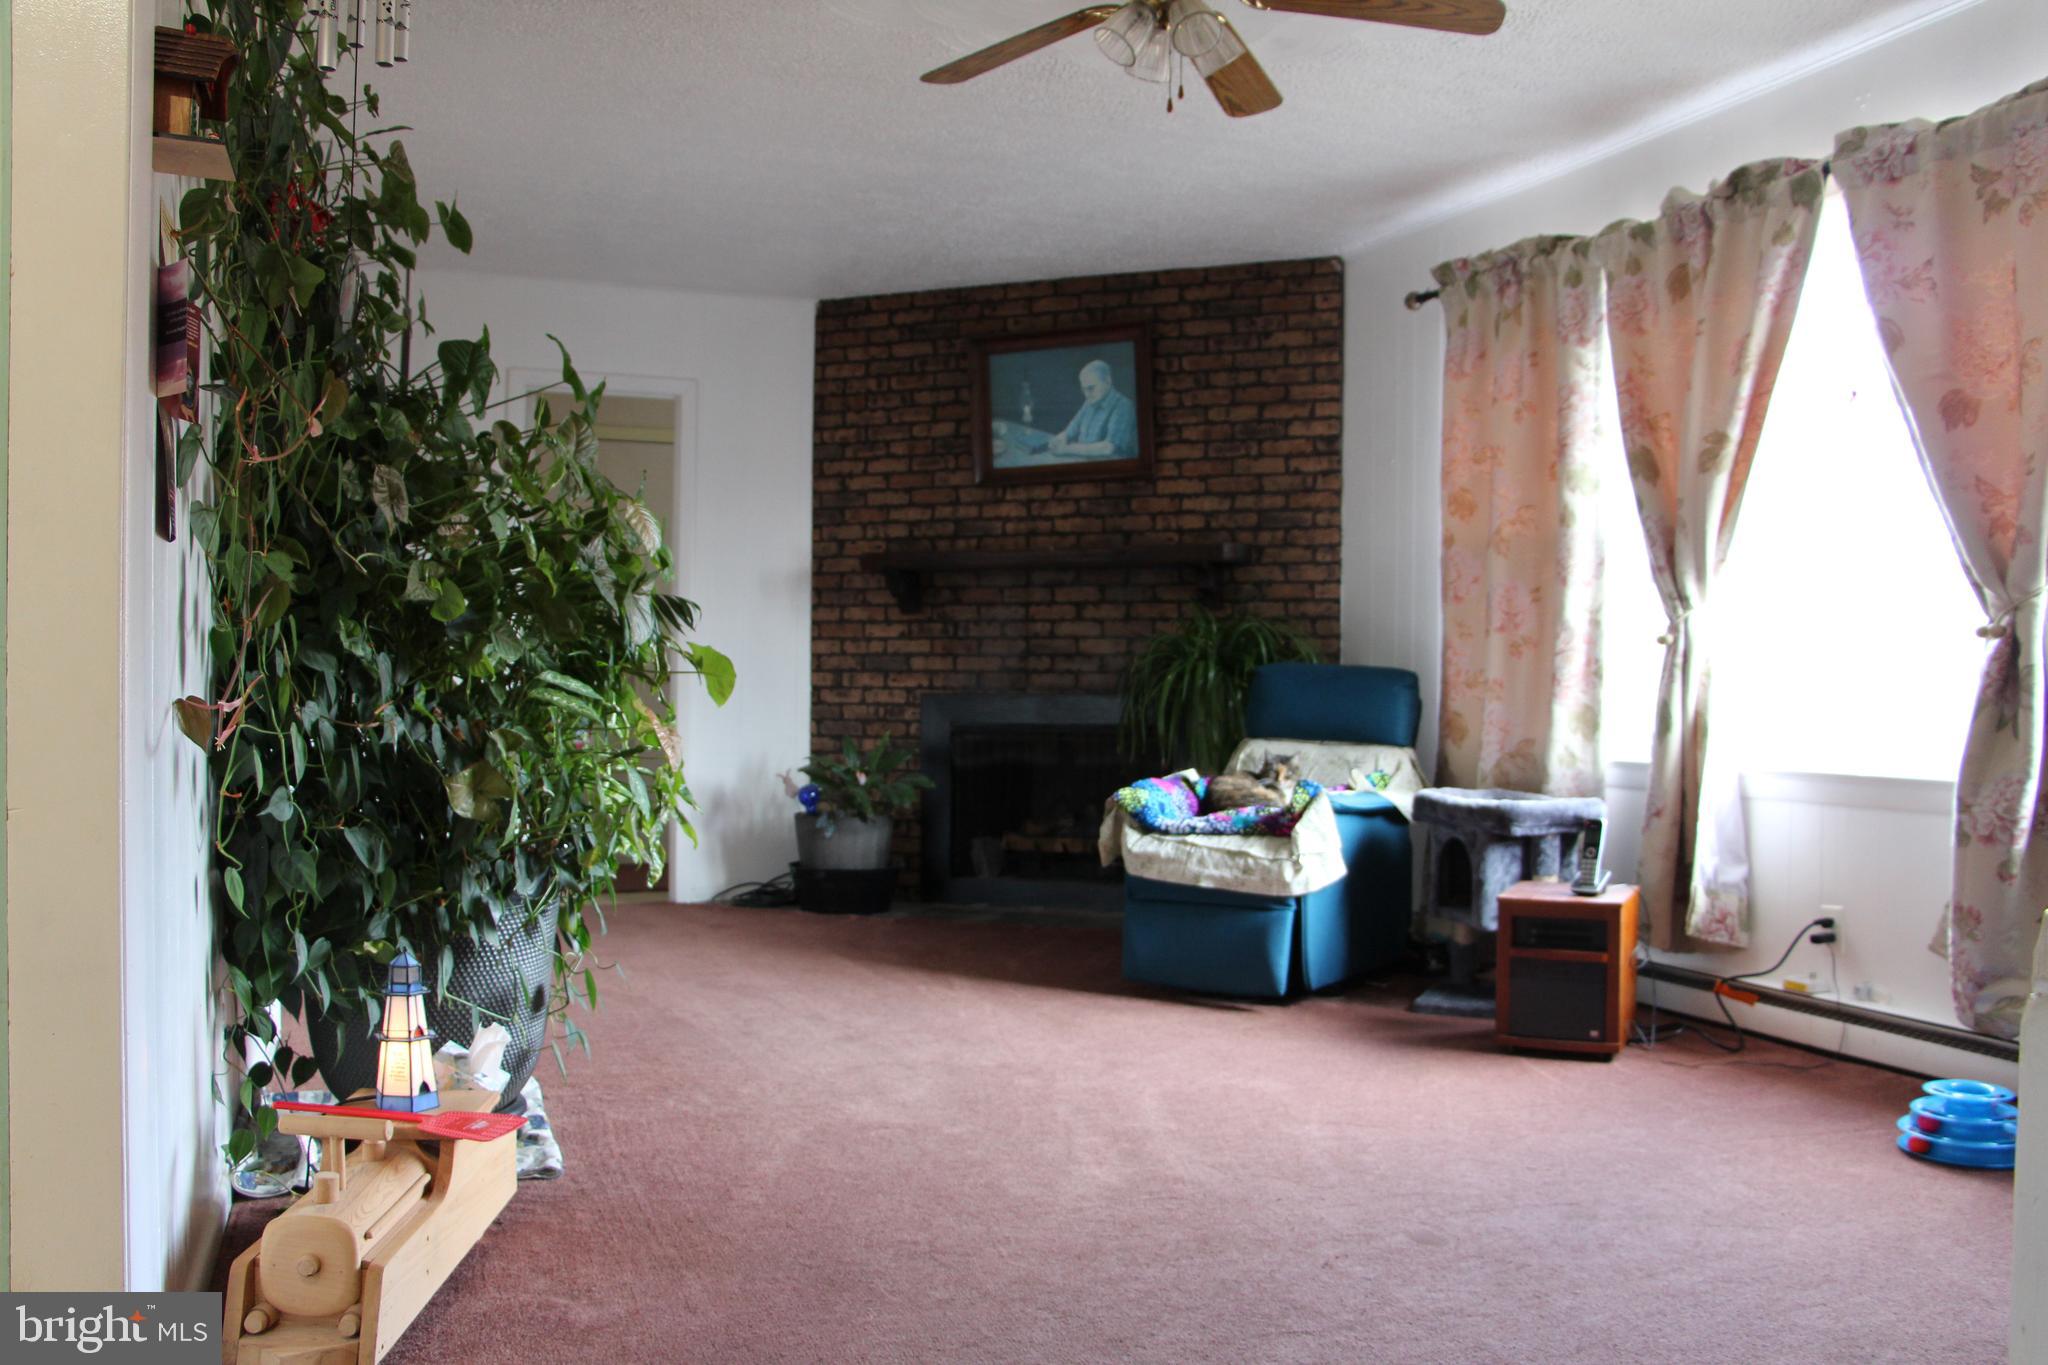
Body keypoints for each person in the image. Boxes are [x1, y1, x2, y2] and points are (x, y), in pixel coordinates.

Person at [1044, 359, 1139, 460]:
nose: (1086, 394)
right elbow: (1070, 430)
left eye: (1090, 388)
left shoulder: (1124, 406)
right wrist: (1059, 439)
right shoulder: (1089, 402)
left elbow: (1108, 448)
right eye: (1083, 389)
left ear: (1108, 381)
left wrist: (1065, 449)